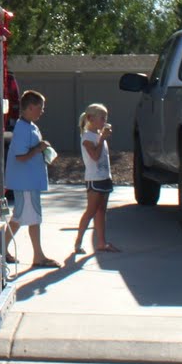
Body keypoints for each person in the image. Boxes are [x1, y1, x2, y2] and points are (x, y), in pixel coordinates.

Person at [5, 89, 57, 268]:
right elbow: (20, 156)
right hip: (26, 182)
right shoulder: (22, 128)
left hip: (28, 182)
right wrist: (38, 149)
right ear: (31, 107)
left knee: (22, 217)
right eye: (40, 107)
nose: (42, 111)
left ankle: (4, 250)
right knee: (29, 217)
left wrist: (40, 148)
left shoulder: (30, 126)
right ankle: (38, 256)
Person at [73, 102, 119, 255]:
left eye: (106, 118)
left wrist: (102, 138)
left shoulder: (99, 136)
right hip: (94, 179)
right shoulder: (87, 137)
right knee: (91, 210)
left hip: (105, 177)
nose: (104, 122)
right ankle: (78, 241)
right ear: (90, 118)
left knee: (101, 211)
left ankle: (101, 242)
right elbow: (94, 156)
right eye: (102, 118)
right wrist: (101, 140)